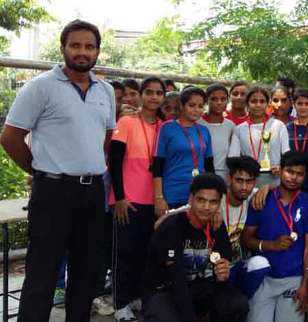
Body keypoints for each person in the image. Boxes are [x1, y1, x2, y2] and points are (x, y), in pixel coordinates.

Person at [1, 20, 116, 321]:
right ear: (63, 48)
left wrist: (87, 165)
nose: (82, 52)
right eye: (75, 45)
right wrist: (40, 169)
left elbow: (105, 137)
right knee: (43, 273)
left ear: (97, 51)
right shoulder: (40, 87)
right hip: (52, 192)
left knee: (86, 273)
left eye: (89, 46)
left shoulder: (105, 90)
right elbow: (10, 137)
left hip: (92, 192)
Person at [141, 173, 249, 322]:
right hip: (166, 291)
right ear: (191, 199)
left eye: (213, 202)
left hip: (199, 289)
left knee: (237, 304)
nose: (206, 207)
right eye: (201, 200)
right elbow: (176, 280)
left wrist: (223, 272)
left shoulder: (217, 225)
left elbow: (223, 262)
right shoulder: (172, 227)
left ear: (219, 204)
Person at [108, 76, 166, 321]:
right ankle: (120, 303)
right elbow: (115, 160)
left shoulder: (165, 126)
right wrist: (119, 197)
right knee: (125, 253)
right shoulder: (127, 122)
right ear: (141, 94)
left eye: (158, 93)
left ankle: (137, 298)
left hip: (155, 201)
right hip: (128, 200)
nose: (154, 97)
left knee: (147, 253)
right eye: (149, 92)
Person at [241, 151, 308, 322]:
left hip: (293, 279)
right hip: (264, 279)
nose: (294, 177)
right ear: (280, 170)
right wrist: (271, 245)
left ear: (305, 176)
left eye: (299, 174)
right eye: (290, 171)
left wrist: (305, 283)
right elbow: (246, 239)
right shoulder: (262, 199)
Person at [153, 86, 214, 216]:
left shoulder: (204, 131)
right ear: (181, 105)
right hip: (172, 193)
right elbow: (157, 165)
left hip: (199, 195)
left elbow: (209, 166)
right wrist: (159, 197)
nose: (196, 110)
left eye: (200, 106)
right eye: (192, 105)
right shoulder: (167, 128)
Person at [229, 86, 290, 187]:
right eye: (253, 101)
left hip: (275, 184)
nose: (258, 105)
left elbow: (286, 154)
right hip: (248, 185)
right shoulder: (239, 129)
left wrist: (281, 167)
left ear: (268, 104)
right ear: (247, 104)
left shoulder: (278, 125)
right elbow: (233, 158)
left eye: (262, 101)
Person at [222, 156, 261, 264]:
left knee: (260, 263)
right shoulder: (216, 200)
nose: (244, 187)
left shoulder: (255, 195)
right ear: (229, 179)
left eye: (249, 181)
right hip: (217, 264)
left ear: (255, 182)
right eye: (239, 180)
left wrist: (267, 188)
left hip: (239, 262)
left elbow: (277, 191)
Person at [198, 83, 235, 179]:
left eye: (223, 99)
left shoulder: (230, 126)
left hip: (223, 176)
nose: (219, 102)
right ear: (206, 101)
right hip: (199, 174)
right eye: (214, 99)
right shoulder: (197, 123)